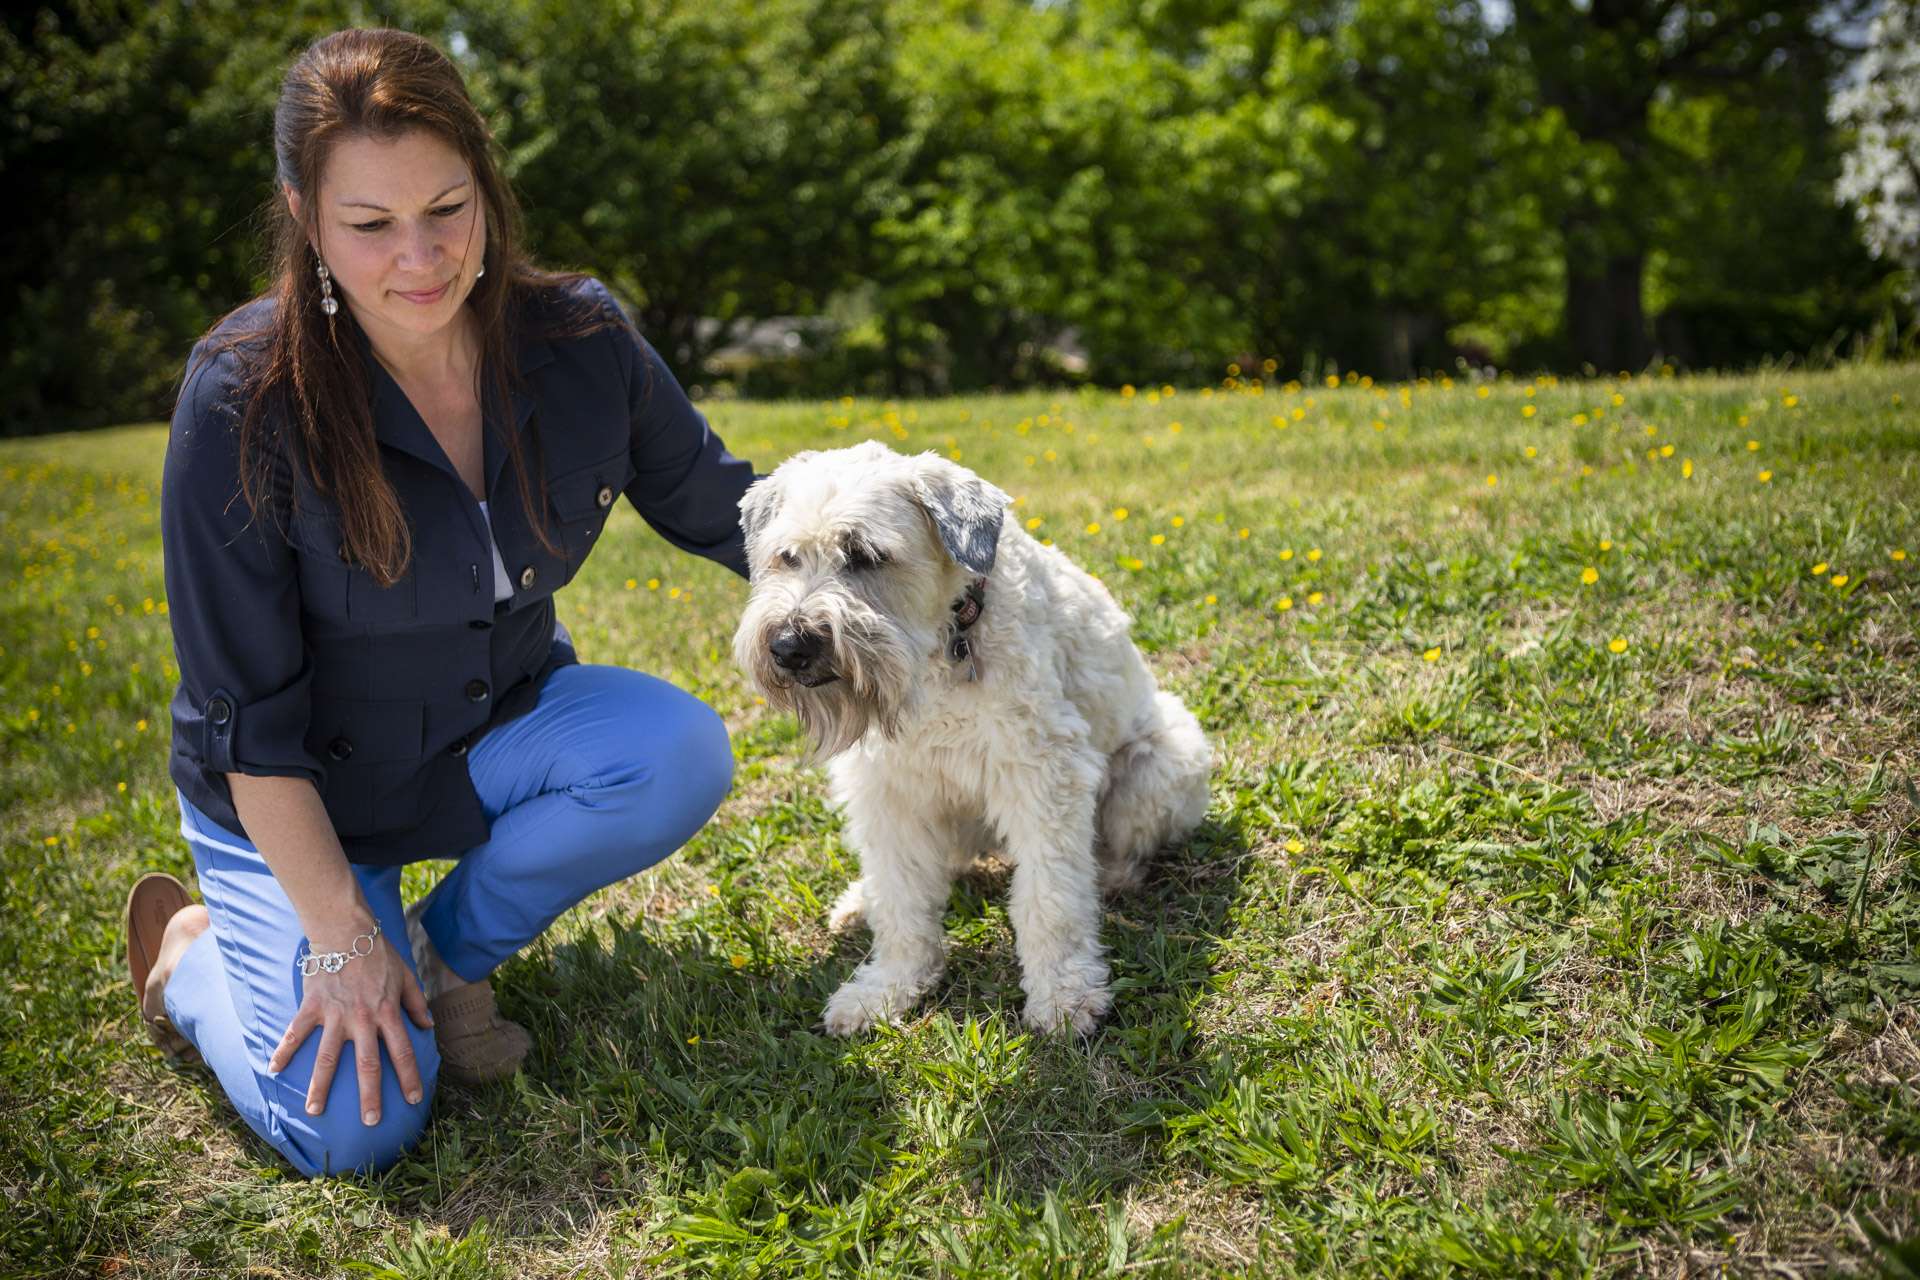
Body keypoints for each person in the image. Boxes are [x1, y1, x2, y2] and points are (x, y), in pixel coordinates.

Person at [123, 27, 758, 1178]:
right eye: (369, 225)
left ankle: (445, 953)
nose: (420, 258)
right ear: (305, 217)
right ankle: (194, 960)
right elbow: (251, 727)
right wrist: (339, 937)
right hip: (301, 793)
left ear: (487, 187)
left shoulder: (581, 338)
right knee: (354, 1129)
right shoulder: (238, 400)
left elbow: (731, 509)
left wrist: (935, 568)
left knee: (675, 749)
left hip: (489, 733)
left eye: (447, 210)